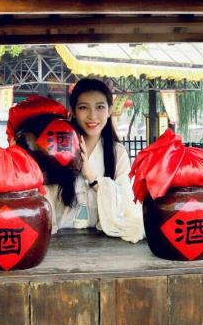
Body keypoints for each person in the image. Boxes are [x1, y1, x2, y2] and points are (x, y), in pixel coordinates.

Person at [44, 78, 144, 243]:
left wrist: (92, 177)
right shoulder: (56, 148)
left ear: (109, 110)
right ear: (73, 111)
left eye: (100, 107)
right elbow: (45, 199)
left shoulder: (117, 153)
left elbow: (126, 203)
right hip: (61, 243)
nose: (92, 116)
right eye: (83, 107)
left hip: (106, 245)